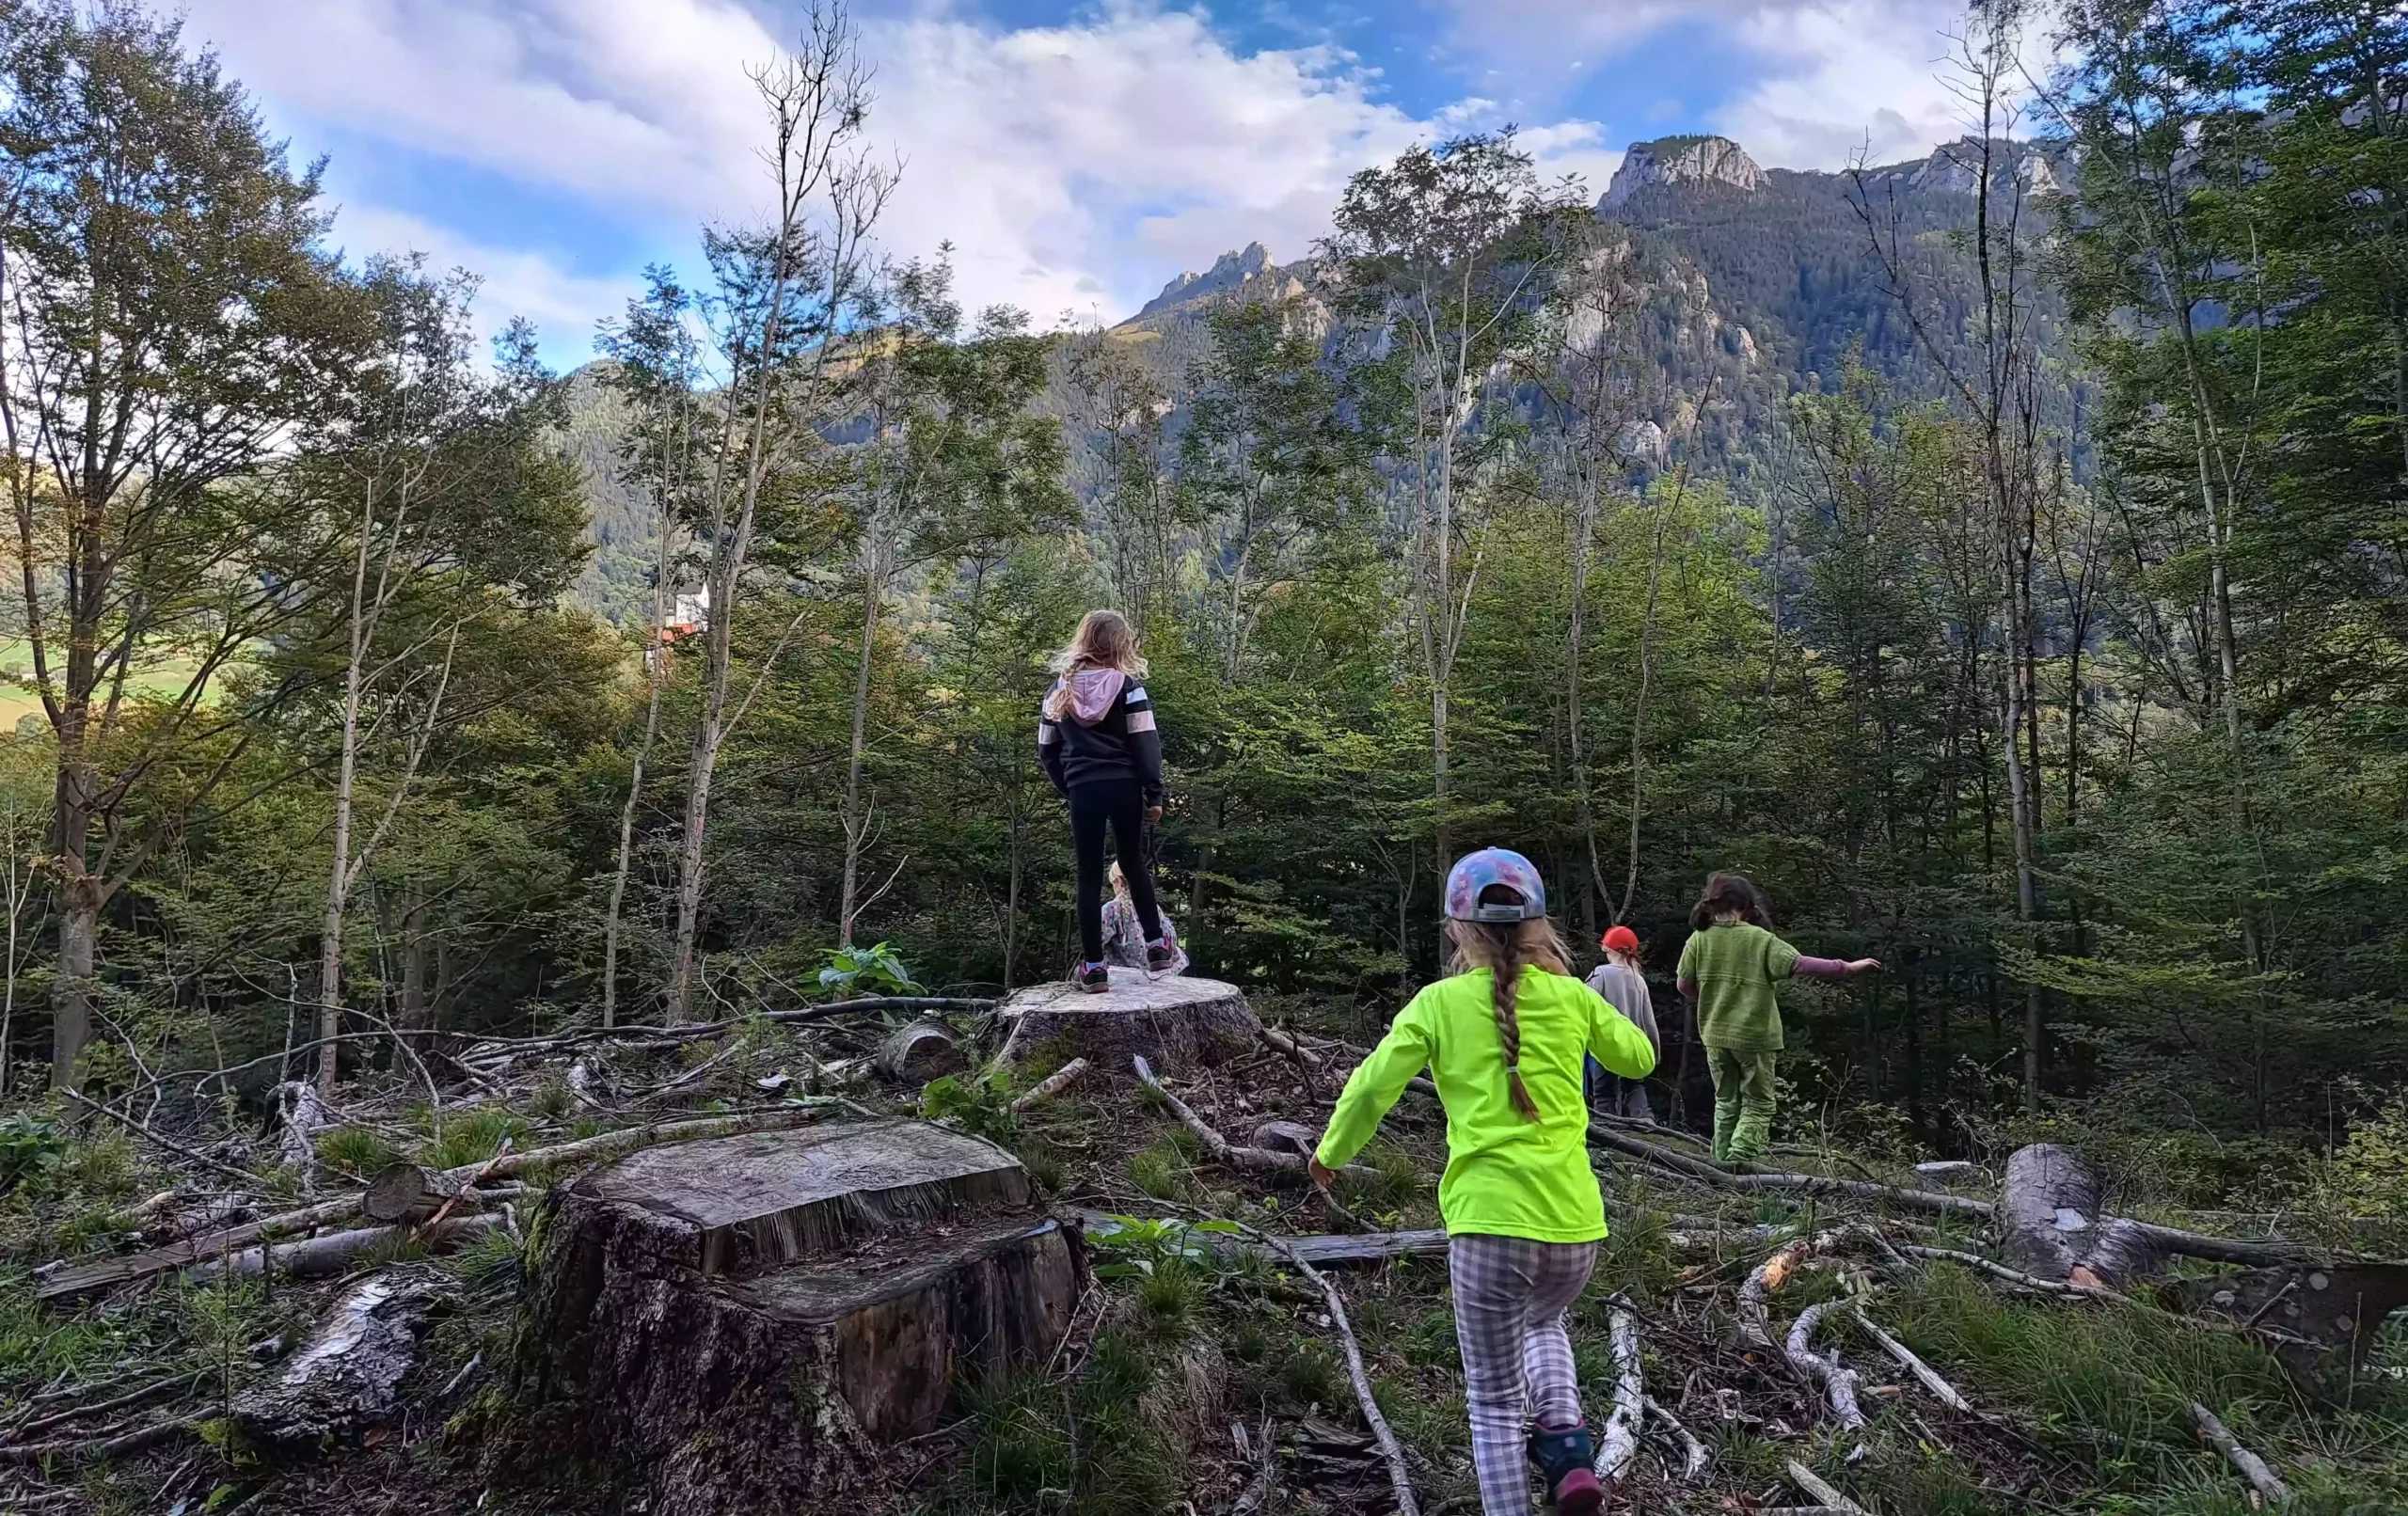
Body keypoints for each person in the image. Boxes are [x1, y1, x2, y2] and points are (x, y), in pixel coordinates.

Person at [1307, 848, 1655, 1516]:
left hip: (1488, 1225)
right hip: (1574, 1227)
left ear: (1457, 930)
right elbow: (1638, 1057)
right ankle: (1568, 1448)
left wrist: (1331, 1153)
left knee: (1493, 1404)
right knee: (1546, 1322)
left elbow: (1373, 1084)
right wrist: (1571, 992)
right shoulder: (1572, 995)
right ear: (1538, 925)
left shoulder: (1437, 1004)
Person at [1675, 871, 1880, 1167]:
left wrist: (1712, 998)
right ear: (1745, 906)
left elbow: (1684, 986)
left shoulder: (1699, 939)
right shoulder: (1760, 940)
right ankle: (1740, 1161)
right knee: (1758, 1103)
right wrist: (1847, 968)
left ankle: (1719, 1162)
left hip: (1714, 1034)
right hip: (1754, 1036)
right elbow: (1800, 964)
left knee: (1726, 1101)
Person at [1037, 609, 1176, 991]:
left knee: (1087, 875)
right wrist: (1154, 793)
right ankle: (1156, 947)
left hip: (1084, 789)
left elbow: (1047, 750)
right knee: (1132, 863)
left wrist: (1069, 787)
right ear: (1119, 644)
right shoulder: (1129, 688)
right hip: (1126, 787)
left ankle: (1095, 968)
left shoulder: (1058, 690)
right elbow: (1146, 744)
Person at [1583, 924, 1659, 1121]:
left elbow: (1584, 1008)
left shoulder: (1600, 974)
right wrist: (1654, 1053)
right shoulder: (1638, 980)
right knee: (1634, 1086)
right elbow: (1648, 1021)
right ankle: (1645, 1123)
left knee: (1603, 1093)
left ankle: (1608, 1132)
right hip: (1632, 1046)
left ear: (1609, 949)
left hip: (1604, 1047)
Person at [1101, 861, 1187, 974]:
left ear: (1118, 881)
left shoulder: (1111, 910)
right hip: (1160, 972)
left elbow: (1096, 941)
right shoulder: (1152, 907)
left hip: (1125, 974)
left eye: (1113, 883)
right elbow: (1170, 937)